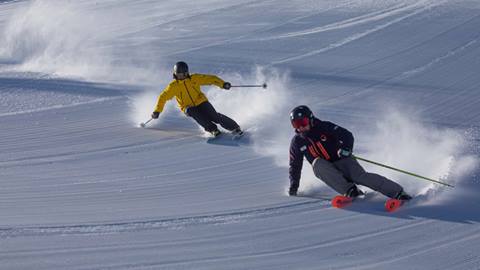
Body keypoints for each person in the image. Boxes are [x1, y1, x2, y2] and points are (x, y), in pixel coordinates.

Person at [288, 105, 412, 201]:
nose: (300, 127)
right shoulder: (297, 142)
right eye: (296, 124)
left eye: (303, 122)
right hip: (327, 169)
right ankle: (350, 191)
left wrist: (346, 149)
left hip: (343, 160)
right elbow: (295, 165)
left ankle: (398, 193)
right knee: (317, 164)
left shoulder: (324, 127)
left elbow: (346, 135)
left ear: (310, 119)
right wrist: (294, 186)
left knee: (360, 177)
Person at [151, 61, 243, 137]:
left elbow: (211, 79)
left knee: (214, 116)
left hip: (201, 101)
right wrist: (157, 111)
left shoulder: (195, 78)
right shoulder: (173, 86)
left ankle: (234, 127)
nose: (180, 77)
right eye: (177, 75)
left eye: (182, 74)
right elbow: (163, 97)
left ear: (186, 73)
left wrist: (222, 84)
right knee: (197, 115)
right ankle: (213, 130)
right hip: (187, 107)